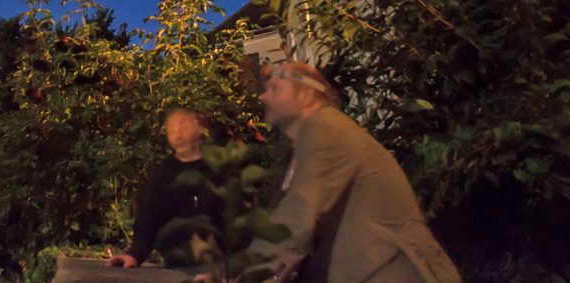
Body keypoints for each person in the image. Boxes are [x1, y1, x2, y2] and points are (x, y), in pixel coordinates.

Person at [243, 62, 460, 283]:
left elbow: (298, 213)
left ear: (306, 95)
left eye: (276, 89)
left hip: (389, 272)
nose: (264, 97)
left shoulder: (323, 128)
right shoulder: (304, 144)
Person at [107, 109, 225, 269]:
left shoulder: (219, 169)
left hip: (220, 263)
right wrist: (135, 255)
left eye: (183, 127)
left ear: (198, 129)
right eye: (172, 130)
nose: (178, 135)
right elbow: (148, 217)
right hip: (178, 263)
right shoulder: (163, 174)